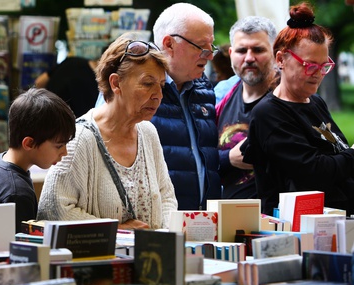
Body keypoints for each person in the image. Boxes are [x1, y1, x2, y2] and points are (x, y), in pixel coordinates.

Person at [37, 33, 178, 230]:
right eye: (147, 83)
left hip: (151, 258)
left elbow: (166, 197)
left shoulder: (148, 133)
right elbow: (53, 210)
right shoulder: (79, 139)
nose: (158, 95)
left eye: (161, 85)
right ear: (115, 83)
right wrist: (117, 231)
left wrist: (162, 236)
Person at [241, 2, 354, 215]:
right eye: (310, 65)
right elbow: (314, 172)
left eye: (324, 66)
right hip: (296, 230)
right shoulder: (269, 113)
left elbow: (337, 155)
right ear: (281, 59)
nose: (318, 73)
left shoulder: (315, 102)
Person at [0, 88, 76, 233]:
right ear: (28, 143)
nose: (64, 152)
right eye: (59, 146)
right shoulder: (17, 194)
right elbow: (23, 250)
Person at [150, 3, 220, 210]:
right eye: (201, 47)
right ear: (169, 44)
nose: (210, 56)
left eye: (211, 46)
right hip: (157, 225)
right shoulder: (136, 88)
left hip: (203, 223)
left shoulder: (204, 88)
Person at [215, 16, 277, 199]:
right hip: (227, 218)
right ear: (232, 54)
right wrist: (228, 159)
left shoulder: (292, 97)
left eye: (258, 50)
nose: (249, 58)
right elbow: (200, 160)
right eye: (242, 50)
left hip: (278, 222)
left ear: (276, 53)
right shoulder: (219, 98)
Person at [35, 56, 100, 118]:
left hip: (45, 113)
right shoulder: (101, 87)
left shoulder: (72, 61)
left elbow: (39, 82)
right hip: (68, 125)